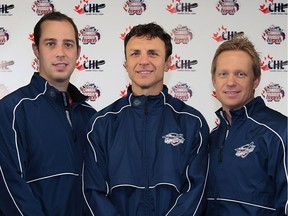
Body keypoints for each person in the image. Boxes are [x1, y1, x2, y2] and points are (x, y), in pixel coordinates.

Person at [82, 22, 209, 216]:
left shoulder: (192, 122)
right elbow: (93, 192)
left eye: (153, 53)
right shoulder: (101, 124)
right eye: (135, 54)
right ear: (125, 63)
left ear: (168, 63)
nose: (143, 61)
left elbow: (195, 190)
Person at [0, 11, 96, 215]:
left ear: (78, 52)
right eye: (51, 44)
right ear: (36, 50)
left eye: (68, 44)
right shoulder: (12, 110)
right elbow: (9, 188)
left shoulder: (92, 118)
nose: (60, 53)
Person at [205, 34, 288, 215]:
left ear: (255, 81)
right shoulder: (212, 137)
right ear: (214, 81)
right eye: (223, 74)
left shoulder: (280, 132)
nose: (231, 82)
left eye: (240, 74)